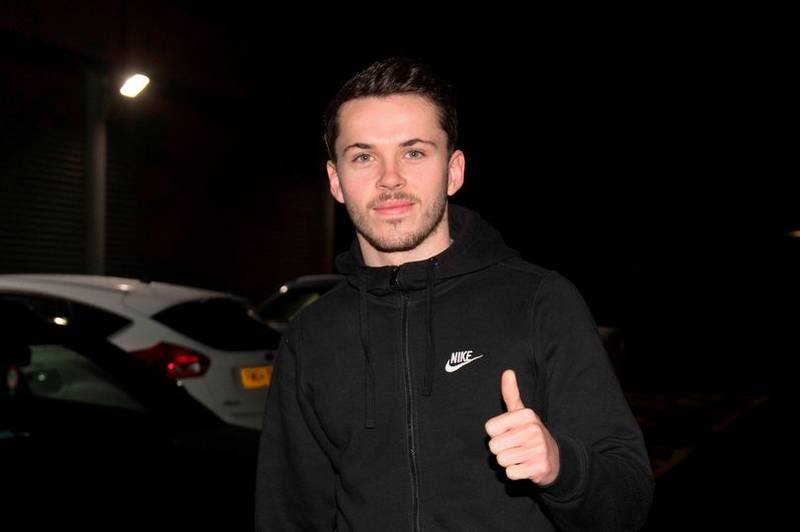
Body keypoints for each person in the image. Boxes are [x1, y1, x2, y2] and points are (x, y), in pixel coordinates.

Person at [256, 57, 653, 531]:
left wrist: (561, 467)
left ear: (454, 170)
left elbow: (628, 501)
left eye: (414, 152)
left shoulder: (539, 301)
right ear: (336, 180)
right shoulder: (310, 336)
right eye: (363, 156)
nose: (389, 178)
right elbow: (287, 515)